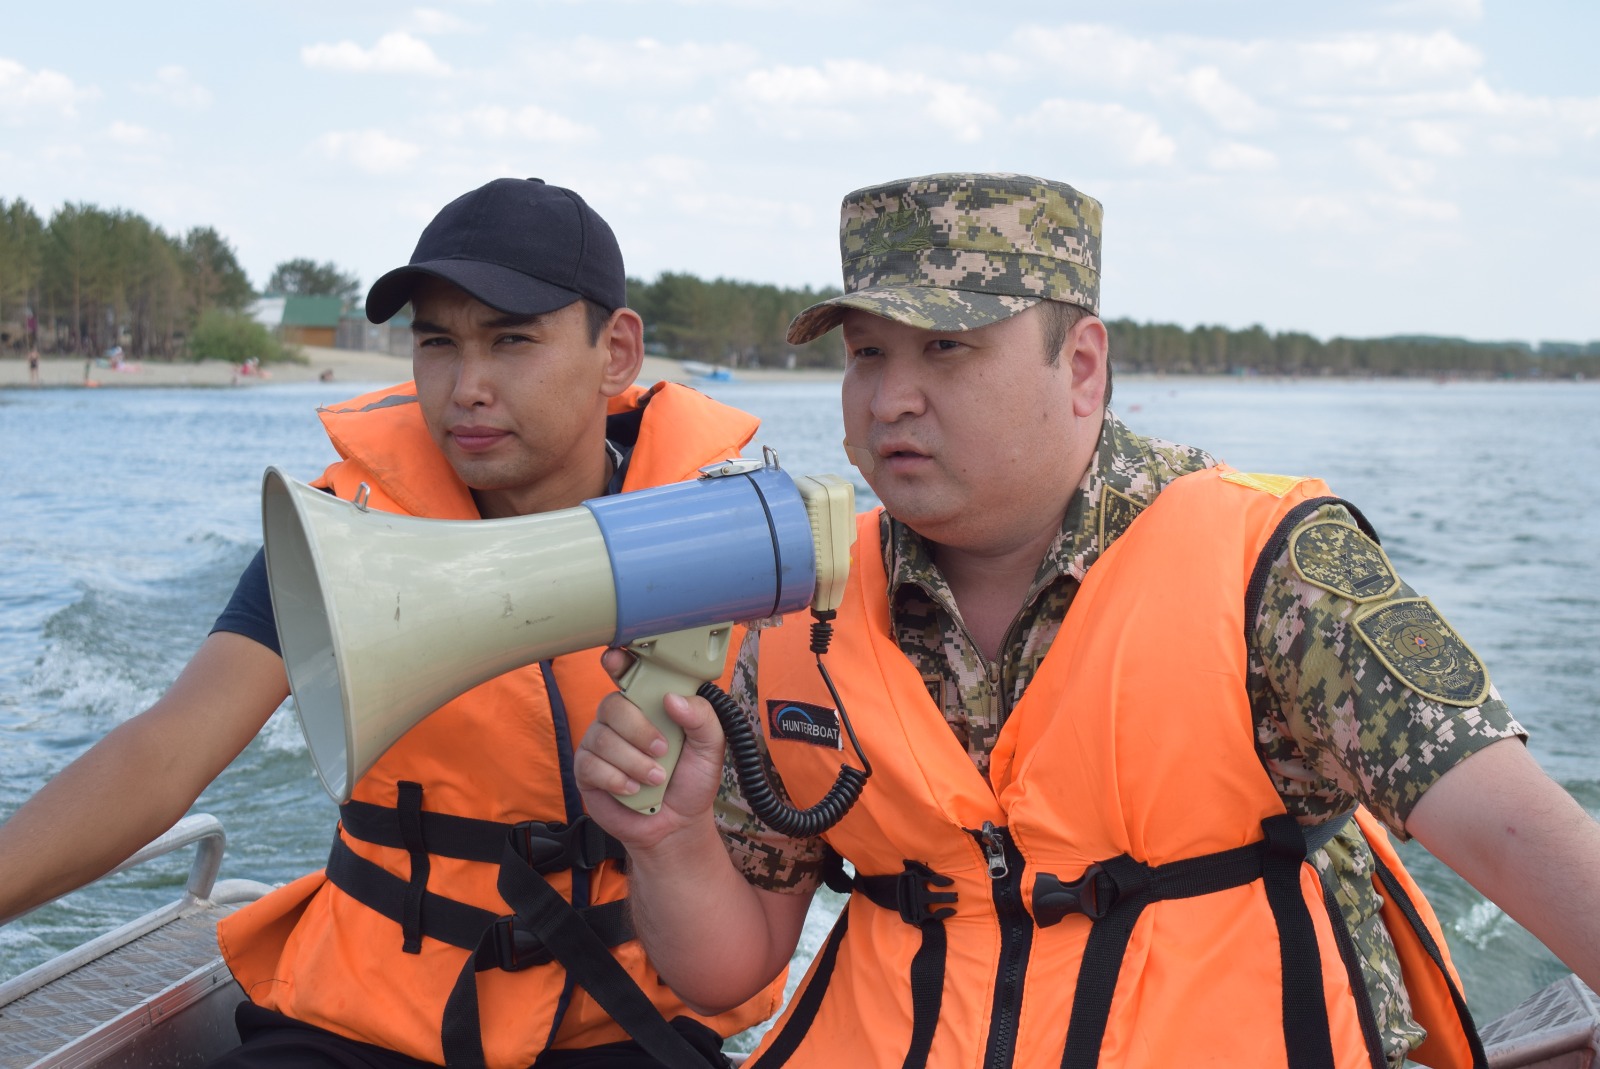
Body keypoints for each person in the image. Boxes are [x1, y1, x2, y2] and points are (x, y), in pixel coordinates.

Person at [574, 172, 1600, 1068]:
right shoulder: (802, 610)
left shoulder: (1279, 571)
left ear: (1080, 367)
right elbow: (729, 966)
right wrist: (668, 838)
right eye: (867, 354)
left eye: (945, 349)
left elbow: (1519, 837)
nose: (891, 399)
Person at [0, 177, 781, 1069]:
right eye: (437, 342)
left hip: (619, 1025)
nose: (467, 387)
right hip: (362, 1022)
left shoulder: (734, 542)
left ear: (617, 351)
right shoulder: (344, 537)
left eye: (513, 339)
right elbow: (168, 749)